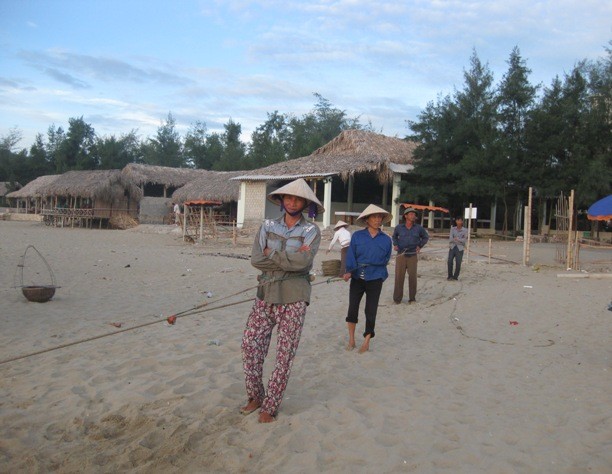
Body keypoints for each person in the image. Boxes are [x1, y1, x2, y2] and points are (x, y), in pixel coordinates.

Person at [240, 178, 323, 423]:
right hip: (265, 292)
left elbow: (303, 263)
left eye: (297, 199)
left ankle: (270, 406)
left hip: (295, 296)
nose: (292, 202)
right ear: (282, 200)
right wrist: (287, 258)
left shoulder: (311, 231)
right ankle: (256, 396)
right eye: (288, 197)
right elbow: (256, 259)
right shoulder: (266, 225)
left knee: (284, 353)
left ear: (305, 203)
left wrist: (272, 253)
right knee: (249, 345)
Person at [342, 204, 393, 353]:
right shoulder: (357, 236)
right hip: (357, 276)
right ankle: (351, 339)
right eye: (374, 217)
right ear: (367, 219)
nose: (378, 220)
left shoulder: (386, 240)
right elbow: (351, 255)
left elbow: (386, 258)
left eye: (380, 217)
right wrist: (349, 271)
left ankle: (366, 341)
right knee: (353, 308)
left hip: (376, 277)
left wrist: (375, 267)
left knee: (371, 310)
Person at [392, 207, 429, 304]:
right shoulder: (399, 227)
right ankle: (397, 299)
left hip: (412, 255)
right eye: (411, 214)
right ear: (406, 216)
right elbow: (394, 236)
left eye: (414, 214)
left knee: (412, 277)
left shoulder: (419, 228)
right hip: (401, 254)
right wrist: (395, 244)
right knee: (399, 277)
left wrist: (420, 246)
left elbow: (425, 237)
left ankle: (412, 298)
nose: (413, 216)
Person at [448, 216, 468, 280]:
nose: (459, 222)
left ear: (462, 222)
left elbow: (464, 240)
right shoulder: (452, 229)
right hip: (452, 247)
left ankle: (455, 277)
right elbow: (450, 239)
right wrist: (458, 240)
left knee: (458, 263)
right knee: (449, 261)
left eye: (460, 220)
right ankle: (450, 276)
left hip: (460, 248)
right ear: (456, 221)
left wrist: (457, 239)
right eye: (458, 220)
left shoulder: (465, 230)